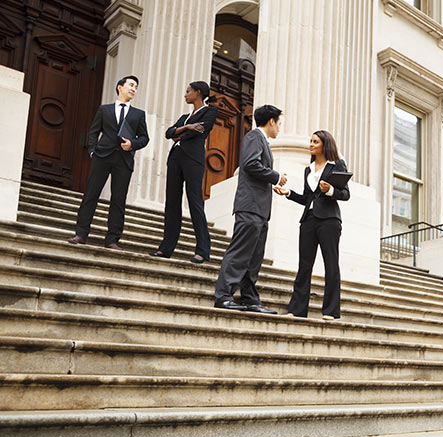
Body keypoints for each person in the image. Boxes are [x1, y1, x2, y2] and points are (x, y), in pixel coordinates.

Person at [214, 104, 287, 313]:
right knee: (240, 253)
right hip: (250, 206)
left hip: (261, 209)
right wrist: (276, 176)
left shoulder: (262, 140)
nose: (279, 128)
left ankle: (249, 298)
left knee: (254, 257)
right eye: (279, 123)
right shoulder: (255, 137)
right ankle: (224, 295)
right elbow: (250, 164)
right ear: (271, 121)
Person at [274, 130, 350, 320]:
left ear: (325, 144)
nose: (311, 144)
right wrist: (288, 193)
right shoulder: (308, 169)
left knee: (331, 264)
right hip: (308, 220)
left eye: (315, 141)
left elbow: (346, 194)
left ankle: (331, 311)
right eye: (310, 141)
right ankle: (297, 309)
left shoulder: (336, 165)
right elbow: (307, 198)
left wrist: (330, 190)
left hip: (329, 221)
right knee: (304, 265)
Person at [68, 75, 149, 250]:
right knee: (91, 195)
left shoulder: (138, 114)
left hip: (124, 160)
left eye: (136, 87)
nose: (133, 89)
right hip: (102, 157)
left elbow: (144, 138)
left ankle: (112, 239)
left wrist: (132, 144)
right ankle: (81, 234)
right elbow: (93, 131)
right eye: (131, 85)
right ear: (120, 87)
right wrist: (92, 151)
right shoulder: (104, 110)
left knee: (118, 200)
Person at [150, 81, 217, 263]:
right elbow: (169, 133)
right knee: (171, 203)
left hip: (193, 160)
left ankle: (203, 250)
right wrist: (187, 128)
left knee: (195, 202)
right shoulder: (184, 117)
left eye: (188, 91)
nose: (185, 94)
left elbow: (201, 131)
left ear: (198, 92)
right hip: (175, 159)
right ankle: (166, 249)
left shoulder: (210, 111)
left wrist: (180, 134)